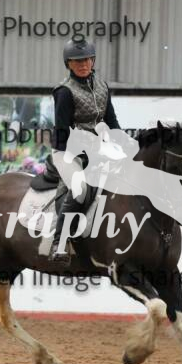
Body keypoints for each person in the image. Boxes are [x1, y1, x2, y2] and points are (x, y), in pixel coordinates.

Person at [49, 35, 121, 263]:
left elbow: (111, 121)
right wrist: (85, 154)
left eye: (87, 59)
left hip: (97, 151)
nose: (83, 64)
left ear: (93, 61)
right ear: (68, 64)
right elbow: (63, 131)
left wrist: (123, 143)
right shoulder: (64, 91)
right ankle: (59, 242)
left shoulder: (102, 86)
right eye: (77, 61)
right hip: (68, 152)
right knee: (80, 188)